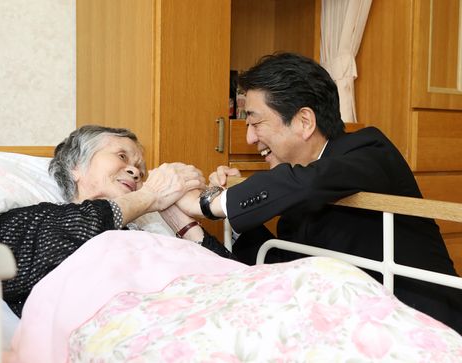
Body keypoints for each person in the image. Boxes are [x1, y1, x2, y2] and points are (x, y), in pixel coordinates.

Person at [176, 52, 462, 334]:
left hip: (428, 326)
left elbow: (311, 182)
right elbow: (280, 270)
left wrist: (212, 202)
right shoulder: (294, 188)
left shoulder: (368, 150)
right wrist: (238, 204)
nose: (249, 137)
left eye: (255, 121)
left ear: (304, 121)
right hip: (353, 329)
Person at [0, 125, 234, 317]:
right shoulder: (27, 220)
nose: (136, 172)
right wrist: (150, 196)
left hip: (204, 310)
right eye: (122, 156)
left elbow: (232, 277)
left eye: (141, 169)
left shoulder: (149, 231)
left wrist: (179, 217)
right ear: (75, 166)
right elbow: (16, 276)